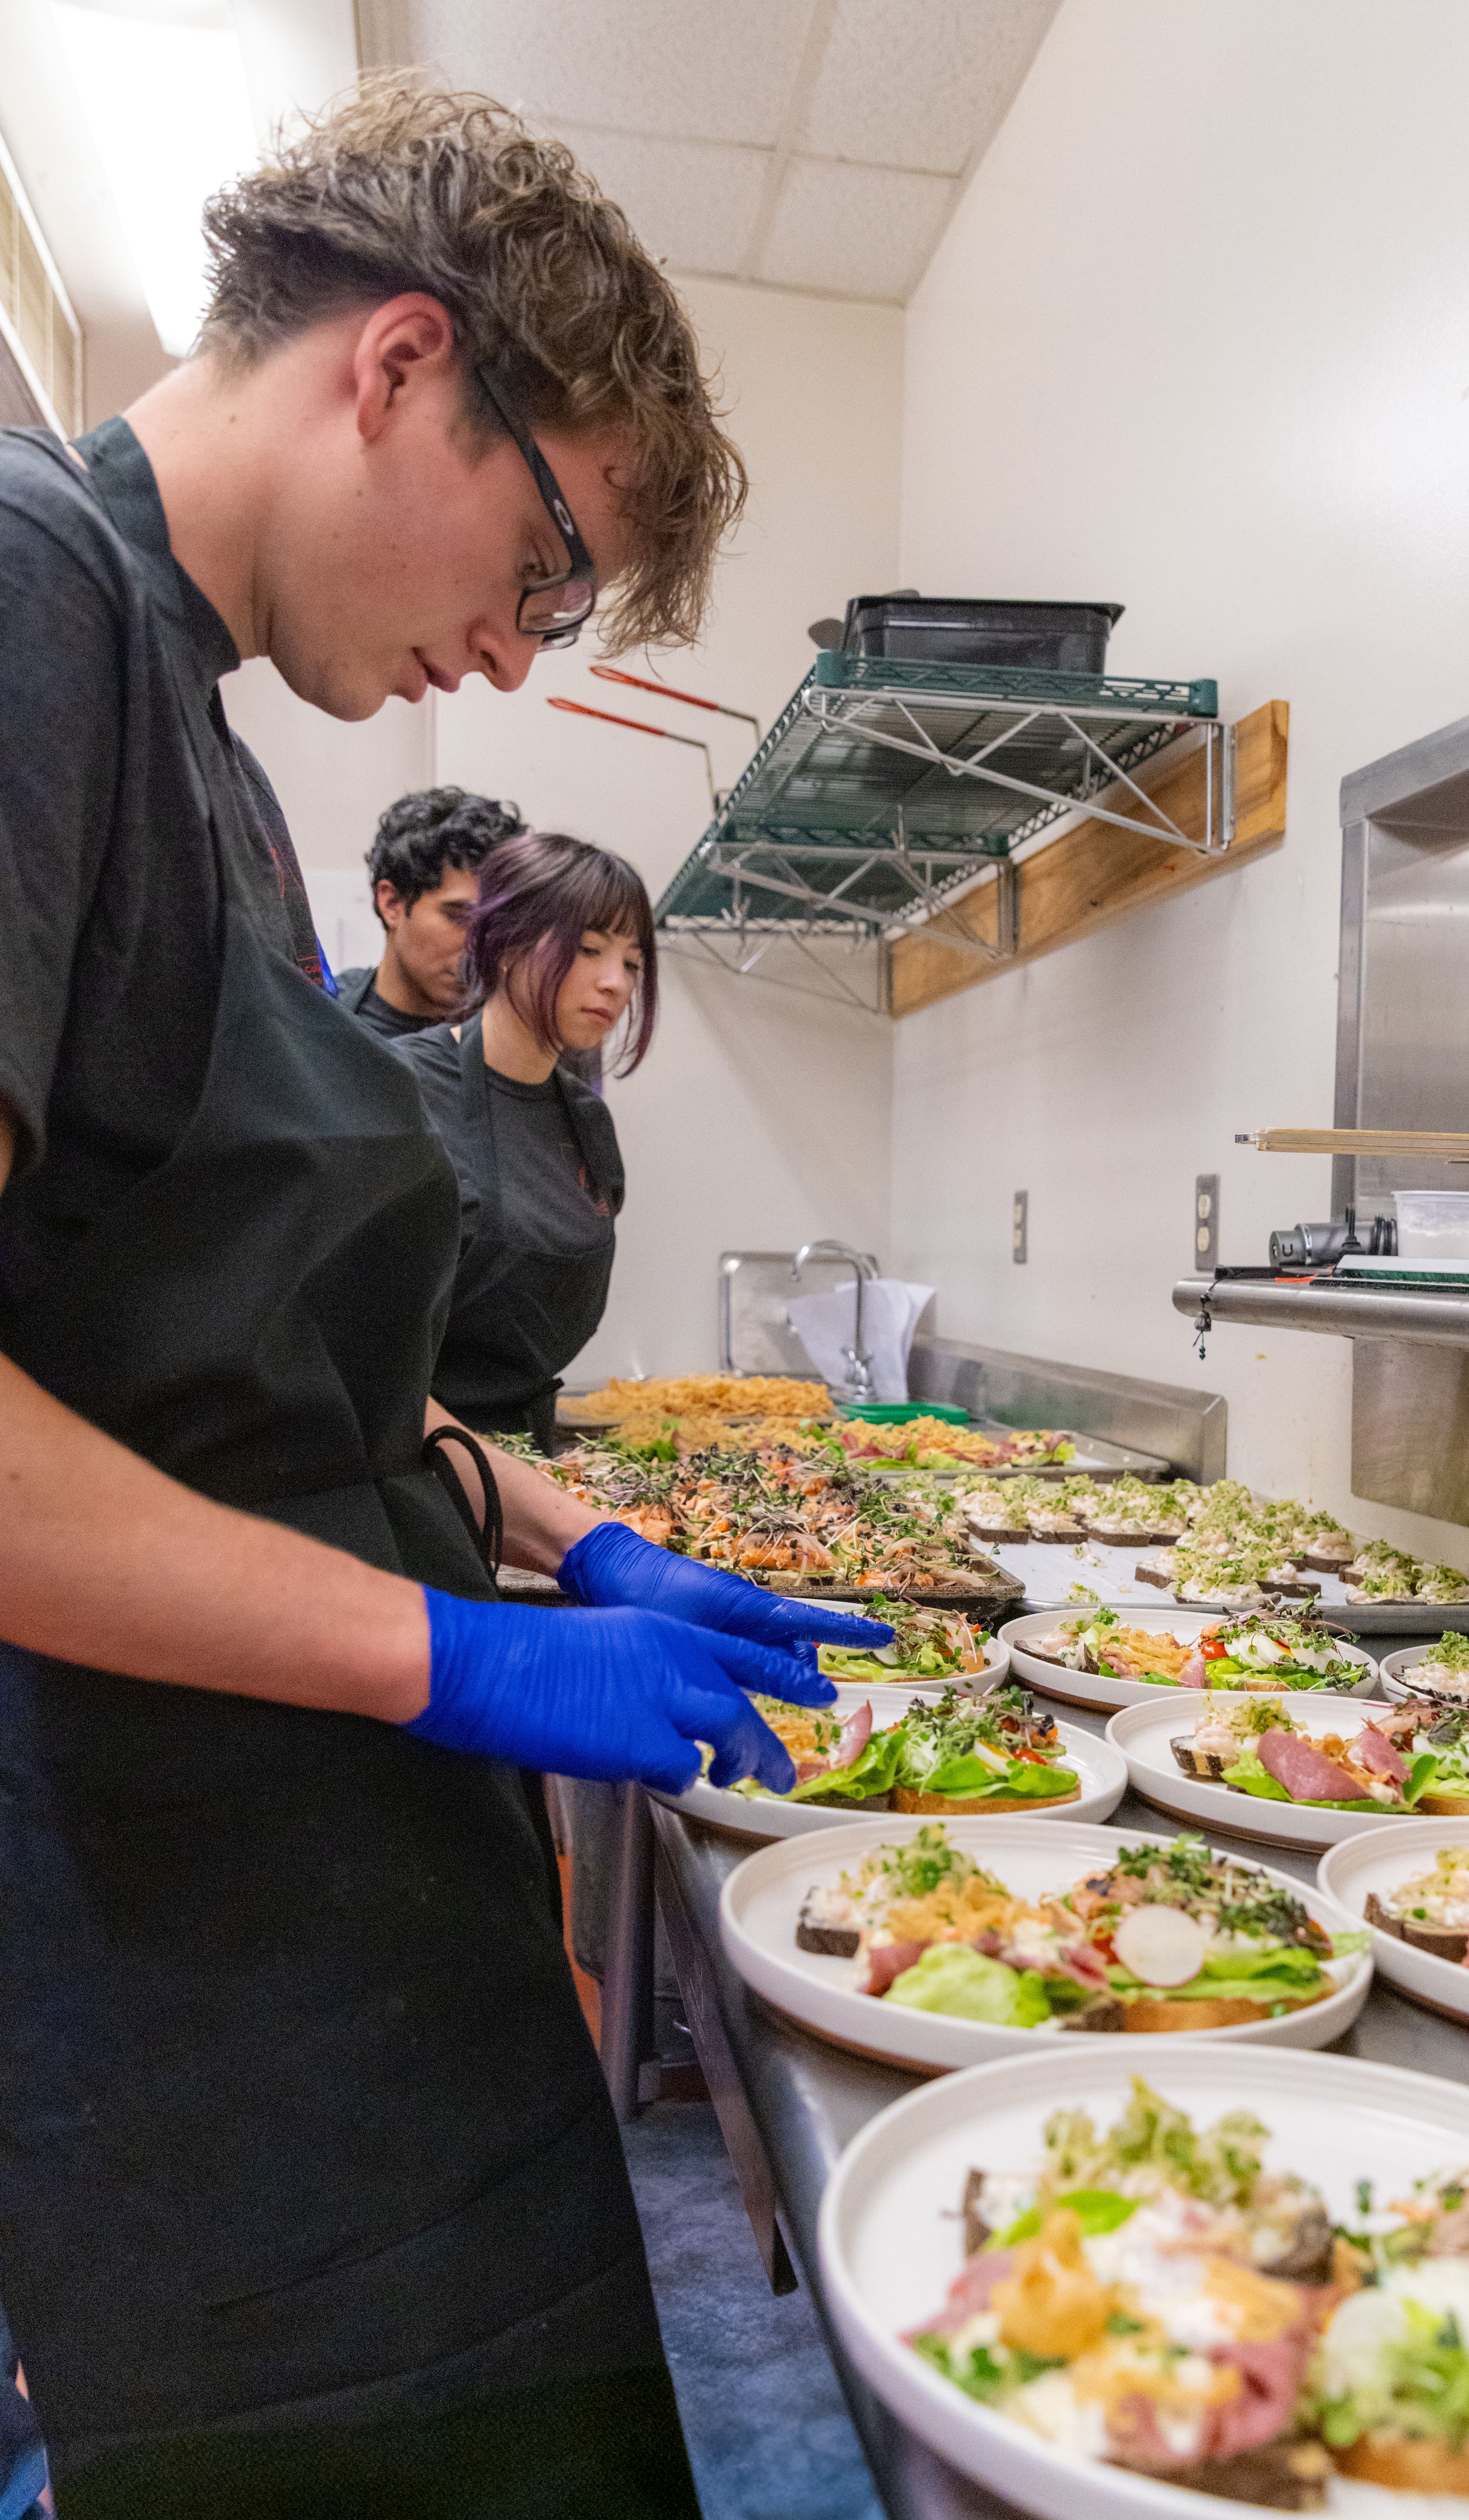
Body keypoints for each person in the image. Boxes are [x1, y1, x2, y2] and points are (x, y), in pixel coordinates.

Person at [0, 78, 890, 2520]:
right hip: (208, 2001)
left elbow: (206, 1351)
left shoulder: (195, 741)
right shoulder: (23, 601)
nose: (518, 641)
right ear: (403, 361)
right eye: (551, 556)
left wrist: (540, 1525)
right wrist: (457, 1651)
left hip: (359, 1938)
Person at [395, 829, 645, 1453]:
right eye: (589, 949)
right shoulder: (397, 1088)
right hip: (406, 1461)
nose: (615, 982)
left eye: (633, 962)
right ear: (505, 944)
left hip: (530, 1456)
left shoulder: (587, 1121)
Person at [336, 783, 524, 1037]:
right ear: (392, 904)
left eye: (494, 923)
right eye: (460, 916)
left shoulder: (517, 1038)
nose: (478, 945)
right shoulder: (319, 1020)